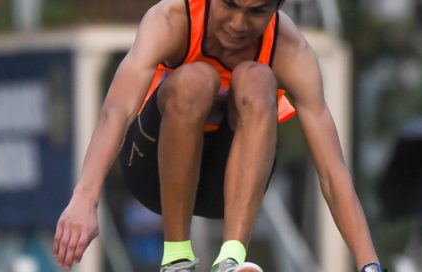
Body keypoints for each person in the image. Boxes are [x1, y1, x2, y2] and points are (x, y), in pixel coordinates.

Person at [53, 0, 383, 271]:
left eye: (256, 12)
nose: (239, 24)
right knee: (196, 80)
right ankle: (177, 258)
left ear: (278, 7)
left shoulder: (290, 49)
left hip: (226, 188)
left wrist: (370, 265)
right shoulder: (172, 19)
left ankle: (232, 259)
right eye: (229, 5)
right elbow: (117, 110)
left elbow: (332, 170)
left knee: (258, 79)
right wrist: (85, 197)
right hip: (152, 172)